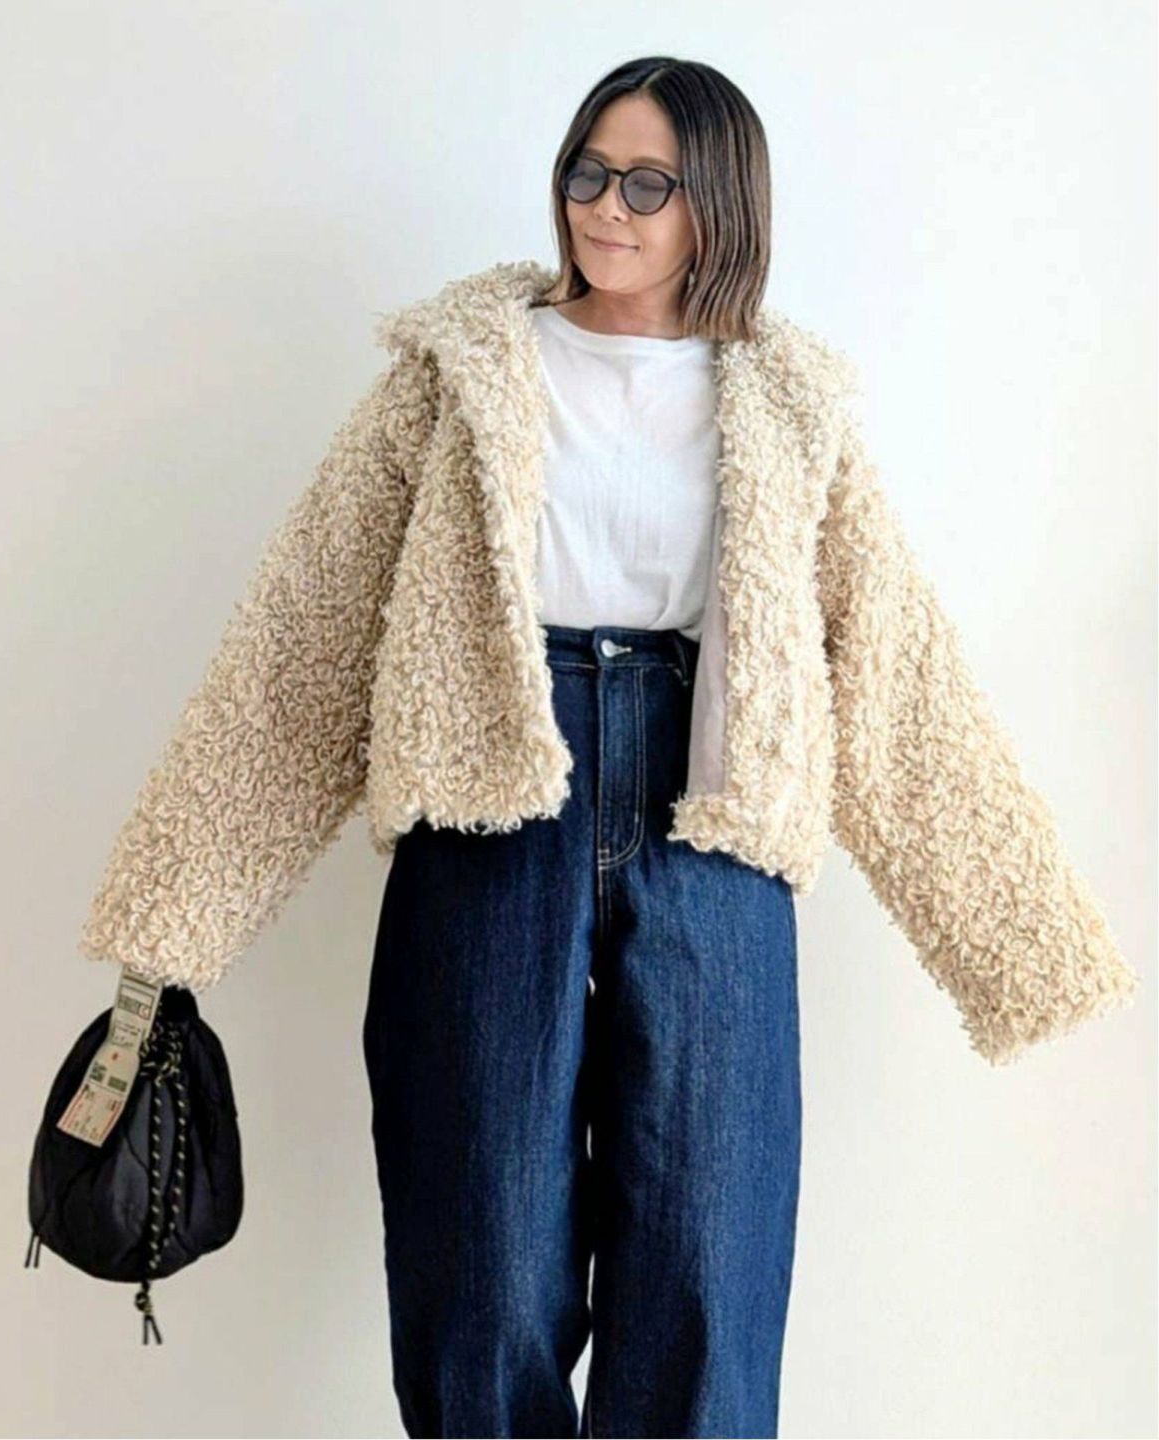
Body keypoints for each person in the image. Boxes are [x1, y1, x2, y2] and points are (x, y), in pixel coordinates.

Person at [78, 55, 1139, 1440]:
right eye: (589, 171)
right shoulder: (457, 375)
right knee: (481, 1263)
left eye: (649, 184)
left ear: (722, 207)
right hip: (490, 808)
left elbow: (894, 674)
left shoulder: (789, 403)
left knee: (707, 1258)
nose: (604, 207)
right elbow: (305, 646)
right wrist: (175, 919)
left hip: (714, 819)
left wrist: (1023, 948)